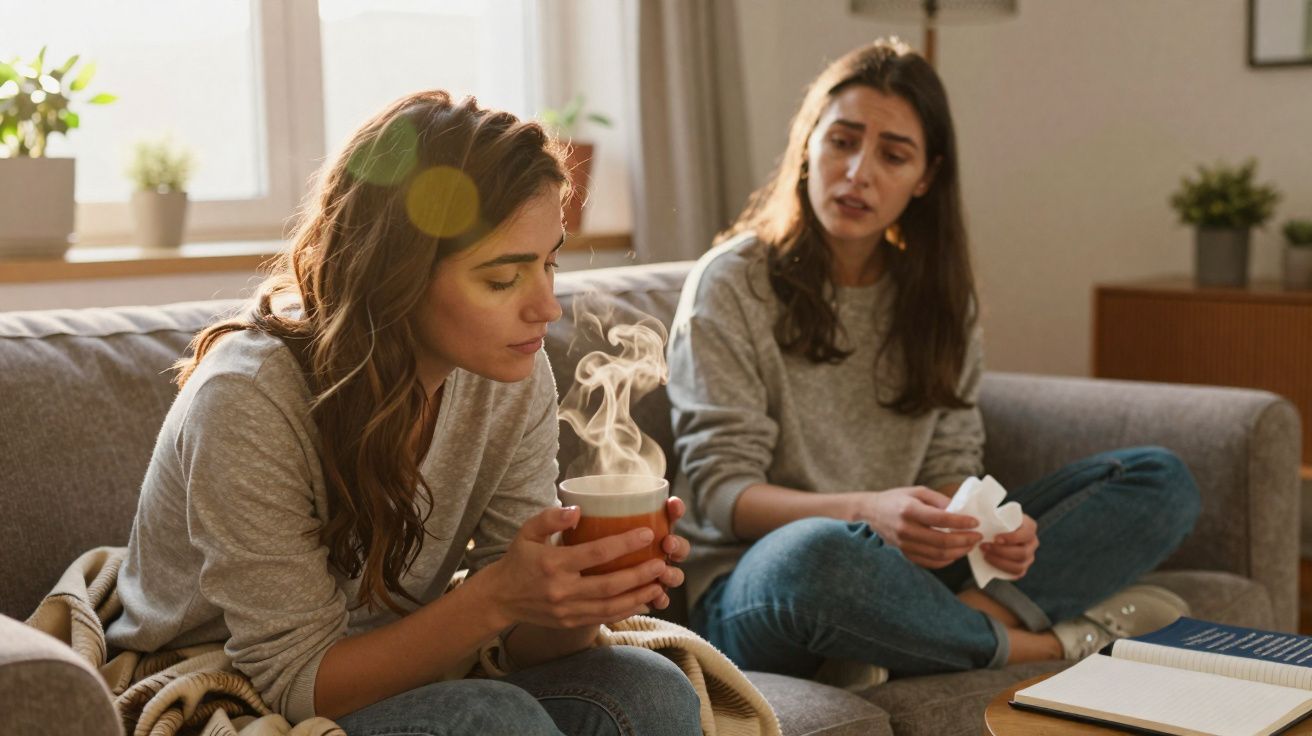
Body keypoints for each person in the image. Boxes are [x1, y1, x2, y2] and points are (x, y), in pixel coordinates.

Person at [106, 90, 702, 736]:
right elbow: (299, 684)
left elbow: (520, 643)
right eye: (502, 280)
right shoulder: (248, 398)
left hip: (398, 662)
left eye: (549, 263)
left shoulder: (509, 376)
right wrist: (496, 596)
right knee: (491, 719)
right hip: (224, 682)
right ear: (397, 277)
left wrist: (578, 597)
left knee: (650, 691)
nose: (547, 308)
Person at [666, 38, 1201, 680]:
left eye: (893, 155)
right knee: (819, 555)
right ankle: (1044, 645)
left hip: (909, 572)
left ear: (925, 178)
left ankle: (923, 632)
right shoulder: (731, 283)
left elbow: (951, 464)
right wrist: (867, 512)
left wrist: (983, 529)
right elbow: (723, 493)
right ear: (807, 145)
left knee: (1160, 479)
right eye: (842, 141)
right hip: (762, 583)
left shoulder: (940, 298)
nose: (858, 172)